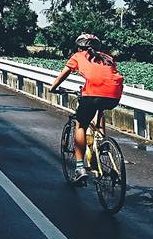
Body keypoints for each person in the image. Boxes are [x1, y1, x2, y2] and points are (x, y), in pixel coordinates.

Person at [49, 33, 124, 183]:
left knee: (80, 125)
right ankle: (102, 143)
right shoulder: (107, 57)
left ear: (79, 46)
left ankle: (79, 167)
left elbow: (64, 74)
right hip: (114, 95)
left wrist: (53, 87)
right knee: (99, 110)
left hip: (92, 94)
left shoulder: (78, 56)